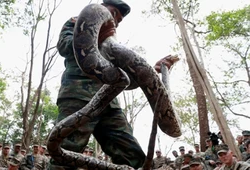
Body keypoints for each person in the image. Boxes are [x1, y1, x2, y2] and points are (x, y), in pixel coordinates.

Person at [53, 0, 177, 169]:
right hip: (78, 95)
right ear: (102, 7)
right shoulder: (78, 21)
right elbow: (64, 46)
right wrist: (94, 37)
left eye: (119, 19)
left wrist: (152, 71)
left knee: (132, 155)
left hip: (109, 101)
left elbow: (126, 76)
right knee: (67, 150)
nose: (116, 20)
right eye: (114, 13)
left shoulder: (111, 43)